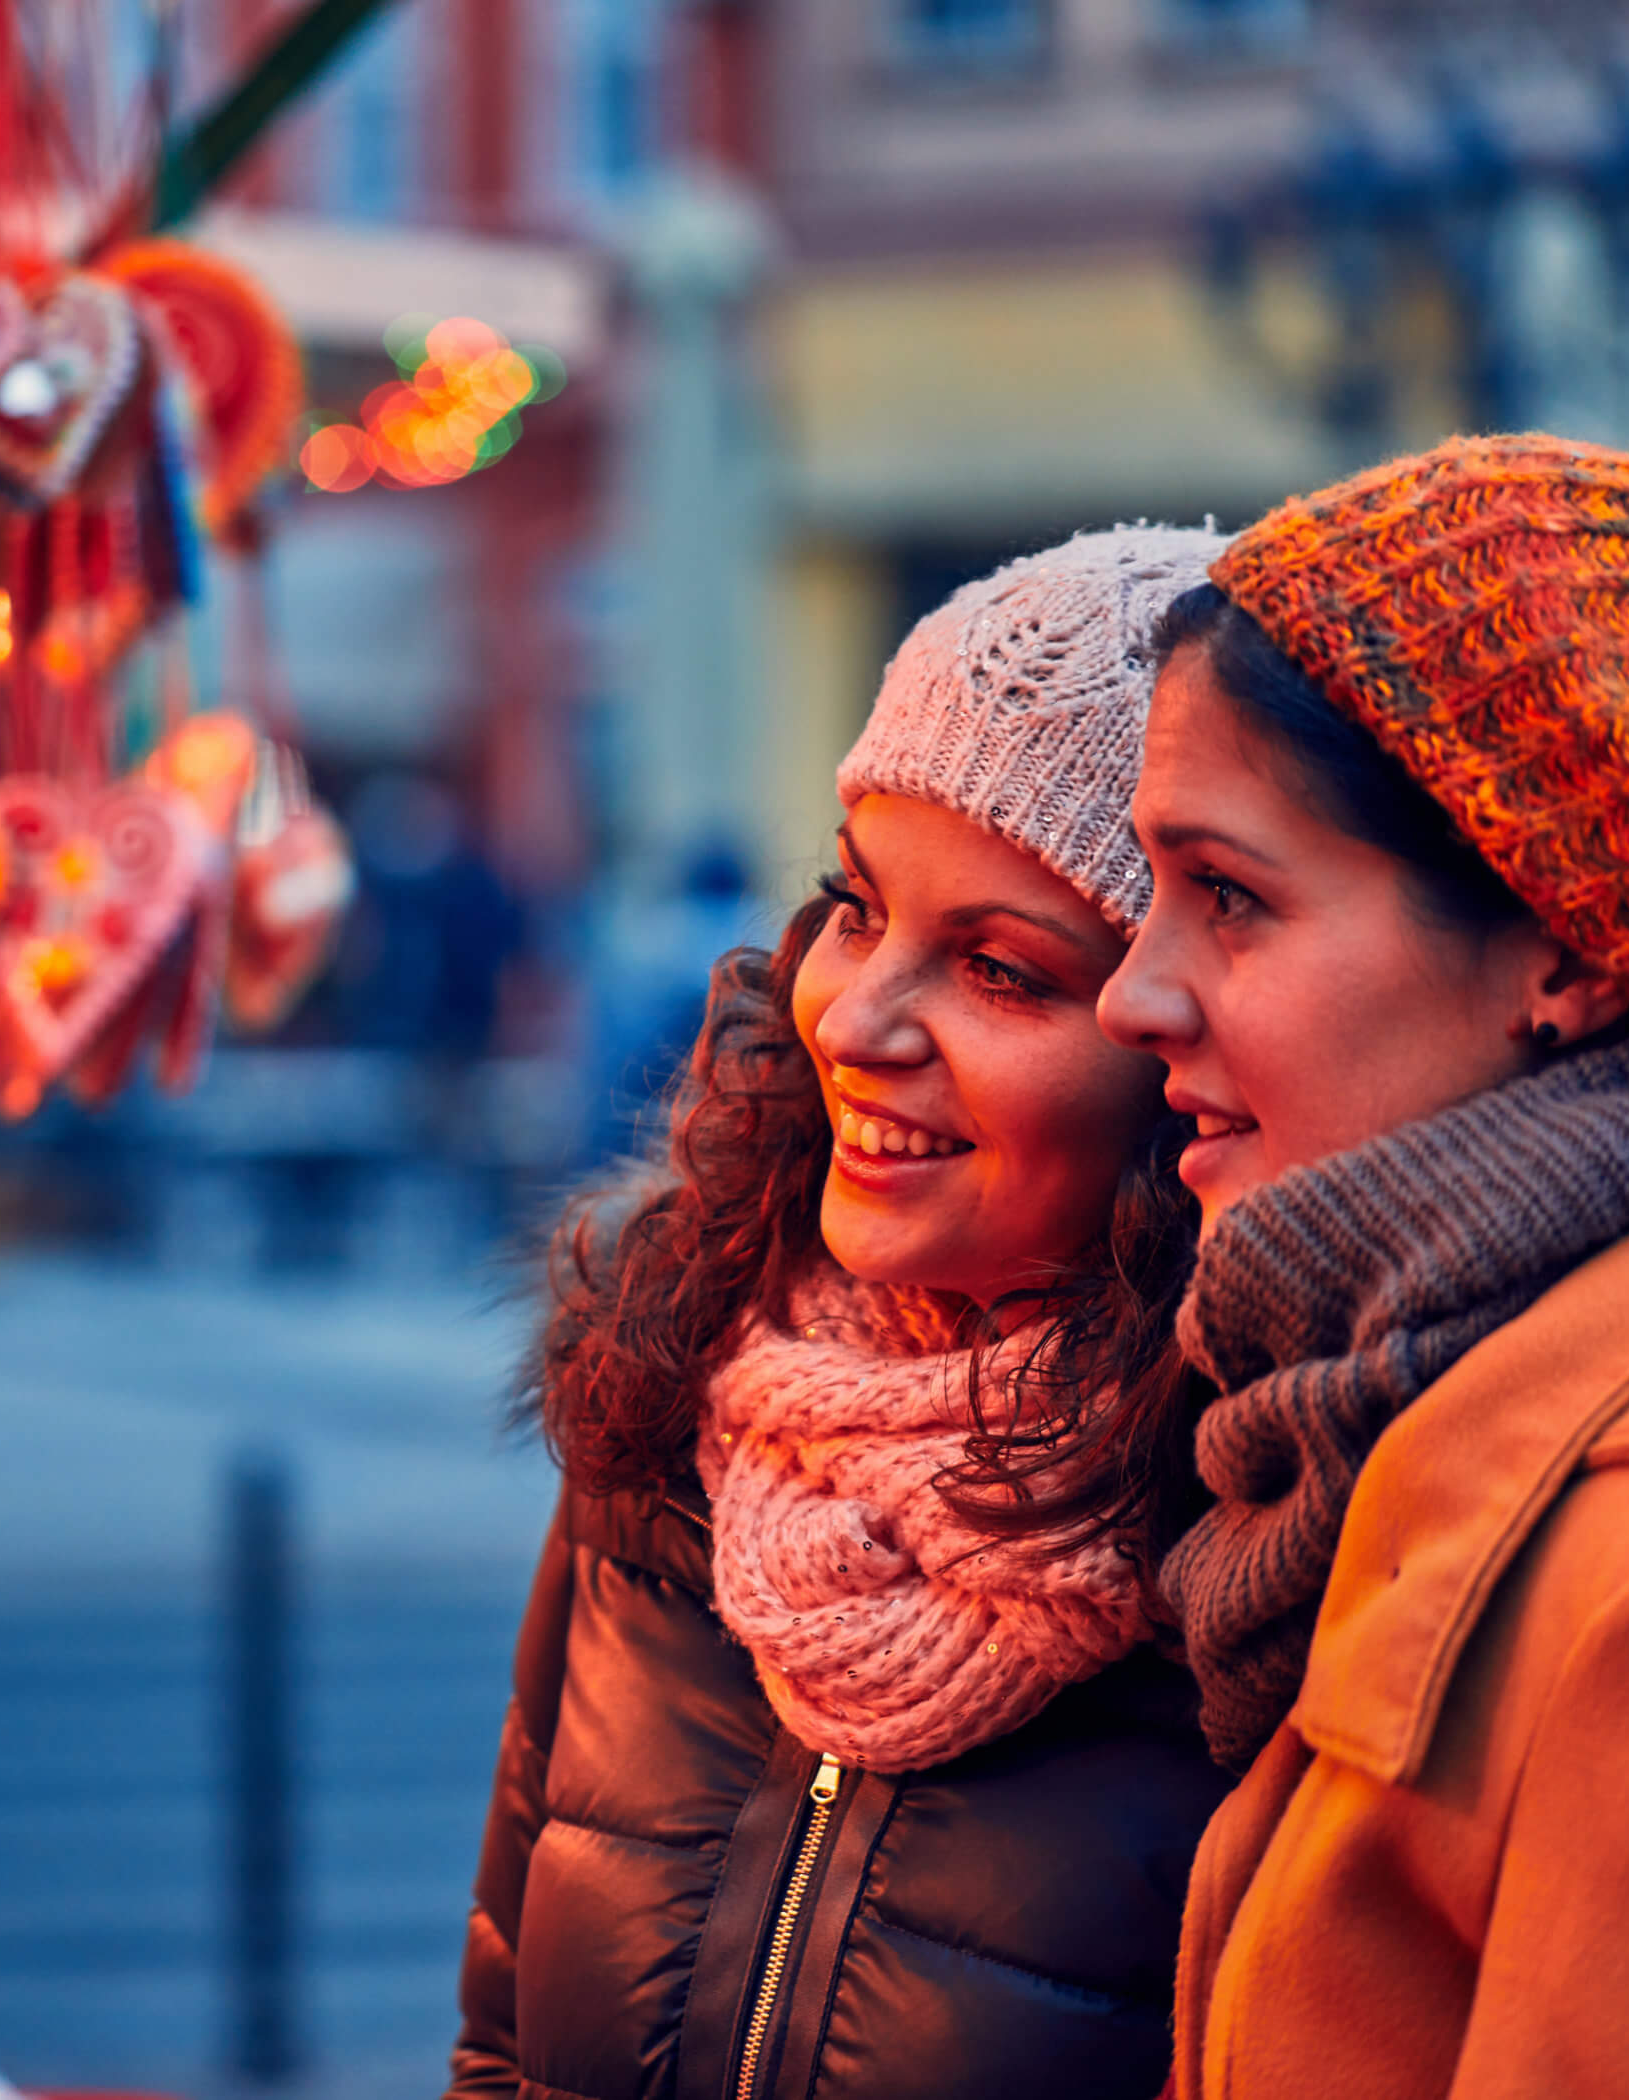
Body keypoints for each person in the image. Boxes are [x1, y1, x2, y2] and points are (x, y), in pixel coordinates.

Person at [447, 527, 1234, 2100]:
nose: (856, 1019)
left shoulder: (1262, 1544)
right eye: (857, 907)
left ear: (1187, 1045)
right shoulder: (680, 1392)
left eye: (1003, 972)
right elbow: (503, 2044)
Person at [1097, 433, 1629, 2100]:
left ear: (1555, 945)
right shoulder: (1375, 1425)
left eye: (1230, 899)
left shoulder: (1618, 1567)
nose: (1135, 995)